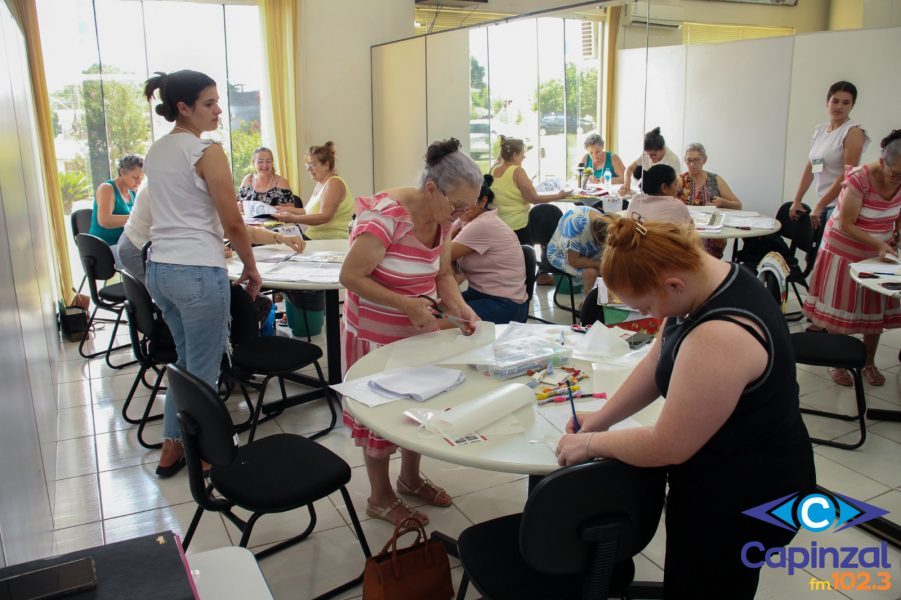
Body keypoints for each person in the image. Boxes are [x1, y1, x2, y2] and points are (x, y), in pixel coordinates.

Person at [555, 215, 816, 599]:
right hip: (719, 473)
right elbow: (655, 362)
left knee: (710, 585)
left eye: (646, 305)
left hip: (750, 493)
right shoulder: (701, 281)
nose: (653, 316)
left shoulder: (719, 336)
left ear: (671, 284)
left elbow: (668, 445)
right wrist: (601, 419)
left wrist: (591, 445)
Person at [339, 138, 481, 527]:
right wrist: (404, 304)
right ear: (432, 189)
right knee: (382, 417)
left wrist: (461, 309)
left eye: (468, 209)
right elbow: (350, 276)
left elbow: (442, 274)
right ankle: (380, 496)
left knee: (417, 411)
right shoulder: (385, 217)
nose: (459, 216)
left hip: (418, 331)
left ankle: (410, 477)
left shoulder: (442, 220)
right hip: (374, 336)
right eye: (457, 207)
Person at [142, 70, 261, 477]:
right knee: (204, 372)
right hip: (196, 271)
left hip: (160, 271)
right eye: (209, 103)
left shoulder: (157, 150)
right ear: (183, 107)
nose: (218, 110)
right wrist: (251, 264)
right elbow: (233, 222)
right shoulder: (206, 151)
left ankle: (172, 447)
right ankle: (204, 453)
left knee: (187, 364)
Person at [802, 129, 901, 387]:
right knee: (842, 309)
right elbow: (846, 223)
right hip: (844, 248)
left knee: (873, 308)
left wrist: (894, 238)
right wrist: (878, 243)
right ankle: (838, 363)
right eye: (895, 174)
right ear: (883, 162)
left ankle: (869, 362)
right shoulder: (860, 178)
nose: (897, 180)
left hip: (879, 248)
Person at [118, 186, 304, 283]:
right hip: (138, 247)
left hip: (150, 246)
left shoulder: (193, 188)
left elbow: (239, 230)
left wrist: (280, 238)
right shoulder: (176, 191)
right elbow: (181, 240)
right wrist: (212, 249)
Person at [790, 81, 869, 230]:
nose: (839, 106)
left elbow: (847, 173)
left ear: (852, 105)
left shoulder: (852, 132)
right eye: (835, 101)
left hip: (839, 206)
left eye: (846, 103)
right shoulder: (821, 130)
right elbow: (811, 166)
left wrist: (820, 205)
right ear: (827, 102)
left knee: (826, 251)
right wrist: (797, 199)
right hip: (824, 203)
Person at [451, 174, 528, 324]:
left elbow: (442, 256)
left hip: (505, 304)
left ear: (483, 201)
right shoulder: (466, 219)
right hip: (482, 293)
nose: (461, 208)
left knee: (440, 321)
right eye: (458, 202)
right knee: (439, 309)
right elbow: (444, 241)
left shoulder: (482, 225)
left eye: (468, 202)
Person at [490, 135, 570, 245]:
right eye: (523, 153)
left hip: (497, 224)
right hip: (516, 227)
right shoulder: (517, 171)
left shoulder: (494, 168)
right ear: (515, 155)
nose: (524, 157)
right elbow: (534, 199)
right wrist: (559, 195)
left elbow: (506, 190)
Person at [274, 141, 353, 239]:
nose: (309, 170)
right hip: (314, 237)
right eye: (308, 165)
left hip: (329, 240)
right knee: (275, 238)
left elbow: (325, 216)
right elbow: (307, 211)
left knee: (277, 240)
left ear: (326, 165)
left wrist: (293, 218)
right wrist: (284, 210)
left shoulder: (334, 183)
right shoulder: (321, 183)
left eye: (313, 165)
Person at [678, 142, 742, 258]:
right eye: (689, 160)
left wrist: (723, 202)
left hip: (712, 234)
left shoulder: (715, 180)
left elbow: (738, 205)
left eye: (696, 160)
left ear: (704, 160)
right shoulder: (680, 180)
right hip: (687, 233)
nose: (692, 164)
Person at [546, 205, 607, 295]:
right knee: (591, 273)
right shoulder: (577, 224)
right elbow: (574, 261)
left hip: (588, 252)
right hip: (561, 254)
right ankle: (588, 304)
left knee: (613, 268)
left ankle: (606, 301)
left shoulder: (606, 222)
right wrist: (598, 264)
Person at [89, 155, 143, 258]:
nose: (139, 182)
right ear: (122, 172)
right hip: (105, 247)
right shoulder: (107, 188)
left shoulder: (133, 192)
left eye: (141, 178)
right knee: (147, 260)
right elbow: (105, 220)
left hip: (125, 244)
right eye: (135, 178)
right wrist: (137, 218)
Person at [620, 127, 681, 194]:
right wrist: (627, 183)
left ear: (663, 148)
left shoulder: (672, 160)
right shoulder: (646, 155)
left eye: (653, 155)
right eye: (648, 154)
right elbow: (629, 169)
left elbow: (677, 185)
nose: (650, 158)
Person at [628, 164, 692, 228]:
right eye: (675, 184)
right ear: (664, 187)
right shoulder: (677, 206)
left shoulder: (635, 200)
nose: (677, 188)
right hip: (662, 238)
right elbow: (691, 230)